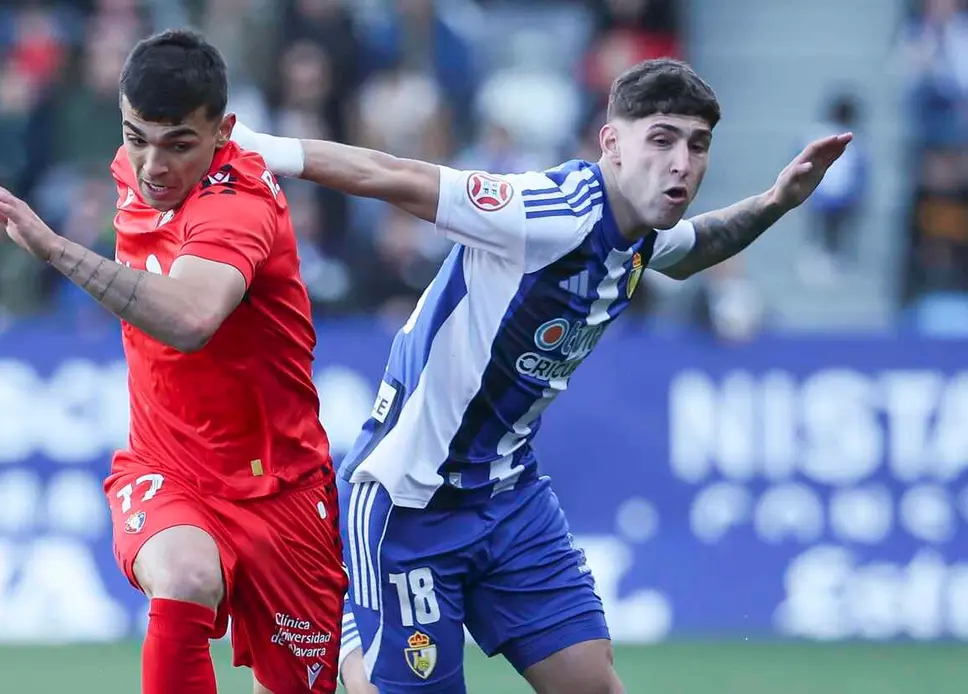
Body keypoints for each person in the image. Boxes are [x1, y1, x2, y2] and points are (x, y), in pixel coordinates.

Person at [232, 57, 852, 694]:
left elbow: (700, 248)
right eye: (661, 140)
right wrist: (260, 148)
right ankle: (341, 646)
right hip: (410, 499)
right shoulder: (548, 211)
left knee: (593, 685)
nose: (682, 163)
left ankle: (352, 646)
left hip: (507, 497)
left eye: (697, 146)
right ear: (611, 144)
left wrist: (778, 200)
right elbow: (395, 175)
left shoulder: (639, 230)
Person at [0, 29, 347, 694]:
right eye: (136, 136)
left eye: (178, 145)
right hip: (167, 471)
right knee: (186, 575)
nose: (150, 166)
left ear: (224, 132)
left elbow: (192, 319)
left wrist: (56, 250)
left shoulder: (238, 205)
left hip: (284, 490)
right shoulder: (131, 170)